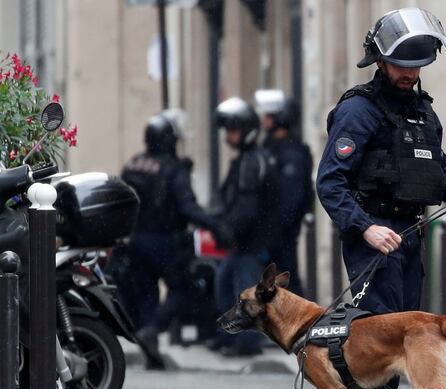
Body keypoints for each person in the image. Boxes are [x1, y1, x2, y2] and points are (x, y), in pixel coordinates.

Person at [316, 7, 446, 389]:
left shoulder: (423, 114)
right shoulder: (358, 111)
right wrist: (365, 227)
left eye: (416, 65)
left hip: (410, 236)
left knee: (405, 337)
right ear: (379, 61)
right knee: (379, 337)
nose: (409, 74)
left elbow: (438, 174)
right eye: (401, 65)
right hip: (373, 239)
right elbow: (330, 183)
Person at [117, 110, 229, 369]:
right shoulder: (173, 169)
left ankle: (151, 348)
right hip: (166, 241)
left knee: (147, 294)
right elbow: (188, 207)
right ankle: (154, 330)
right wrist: (215, 227)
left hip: (135, 241)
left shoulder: (133, 165)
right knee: (185, 287)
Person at [209, 97, 275, 357]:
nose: (229, 135)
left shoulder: (253, 161)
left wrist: (228, 230)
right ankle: (231, 338)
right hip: (241, 243)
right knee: (224, 285)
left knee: (245, 293)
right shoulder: (246, 160)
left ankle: (247, 343)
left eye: (233, 129)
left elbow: (247, 207)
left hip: (250, 243)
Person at [253, 89, 313, 296]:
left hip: (280, 233)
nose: (264, 121)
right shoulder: (270, 146)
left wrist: (274, 233)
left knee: (286, 282)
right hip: (268, 231)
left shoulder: (290, 153)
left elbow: (290, 199)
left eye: (269, 116)